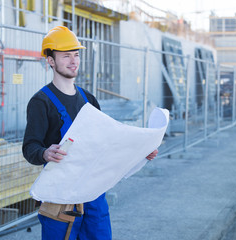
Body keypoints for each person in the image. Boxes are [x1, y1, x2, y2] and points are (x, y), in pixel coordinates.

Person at [22, 26, 158, 240]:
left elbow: (107, 144)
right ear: (50, 61)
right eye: (66, 55)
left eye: (76, 55)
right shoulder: (41, 102)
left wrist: (141, 152)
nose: (73, 61)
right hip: (60, 198)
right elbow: (30, 147)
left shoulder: (89, 100)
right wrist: (45, 153)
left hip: (94, 196)